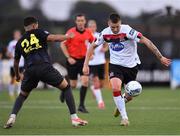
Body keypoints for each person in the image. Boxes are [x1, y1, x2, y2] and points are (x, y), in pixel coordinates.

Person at [83, 13, 171, 126]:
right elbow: (92, 47)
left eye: (117, 27)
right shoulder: (105, 33)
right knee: (115, 87)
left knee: (130, 95)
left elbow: (146, 41)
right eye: (112, 27)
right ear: (108, 24)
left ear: (120, 23)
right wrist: (86, 64)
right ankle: (124, 118)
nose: (115, 29)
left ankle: (122, 101)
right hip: (115, 65)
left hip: (131, 66)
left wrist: (160, 57)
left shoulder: (128, 30)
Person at [4, 16, 88, 129]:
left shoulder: (19, 42)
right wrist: (67, 36)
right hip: (44, 67)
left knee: (22, 95)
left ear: (25, 27)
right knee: (66, 87)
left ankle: (12, 117)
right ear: (34, 25)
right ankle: (74, 118)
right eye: (36, 25)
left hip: (29, 70)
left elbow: (15, 62)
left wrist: (18, 75)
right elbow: (53, 38)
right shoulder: (38, 32)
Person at [60, 14, 94, 113]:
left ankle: (81, 106)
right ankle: (63, 91)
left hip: (84, 61)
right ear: (76, 22)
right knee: (73, 85)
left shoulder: (88, 32)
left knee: (85, 81)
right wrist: (68, 57)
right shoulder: (71, 32)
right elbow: (62, 44)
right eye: (78, 20)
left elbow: (93, 44)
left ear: (85, 21)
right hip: (72, 61)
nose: (80, 22)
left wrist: (92, 54)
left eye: (82, 20)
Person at [87, 20, 108, 109]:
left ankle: (93, 89)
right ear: (88, 27)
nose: (92, 28)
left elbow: (106, 44)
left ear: (96, 27)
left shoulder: (100, 35)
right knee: (96, 82)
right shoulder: (85, 36)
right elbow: (84, 48)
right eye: (90, 26)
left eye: (94, 26)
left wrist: (105, 49)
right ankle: (100, 102)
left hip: (101, 62)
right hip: (91, 63)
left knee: (101, 84)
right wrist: (88, 55)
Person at [7, 30, 24, 100]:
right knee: (12, 79)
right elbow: (8, 53)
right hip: (13, 64)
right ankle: (11, 93)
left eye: (18, 34)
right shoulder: (11, 43)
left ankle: (18, 93)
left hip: (21, 64)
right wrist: (14, 58)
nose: (17, 35)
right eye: (16, 34)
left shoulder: (22, 42)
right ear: (14, 35)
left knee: (20, 78)